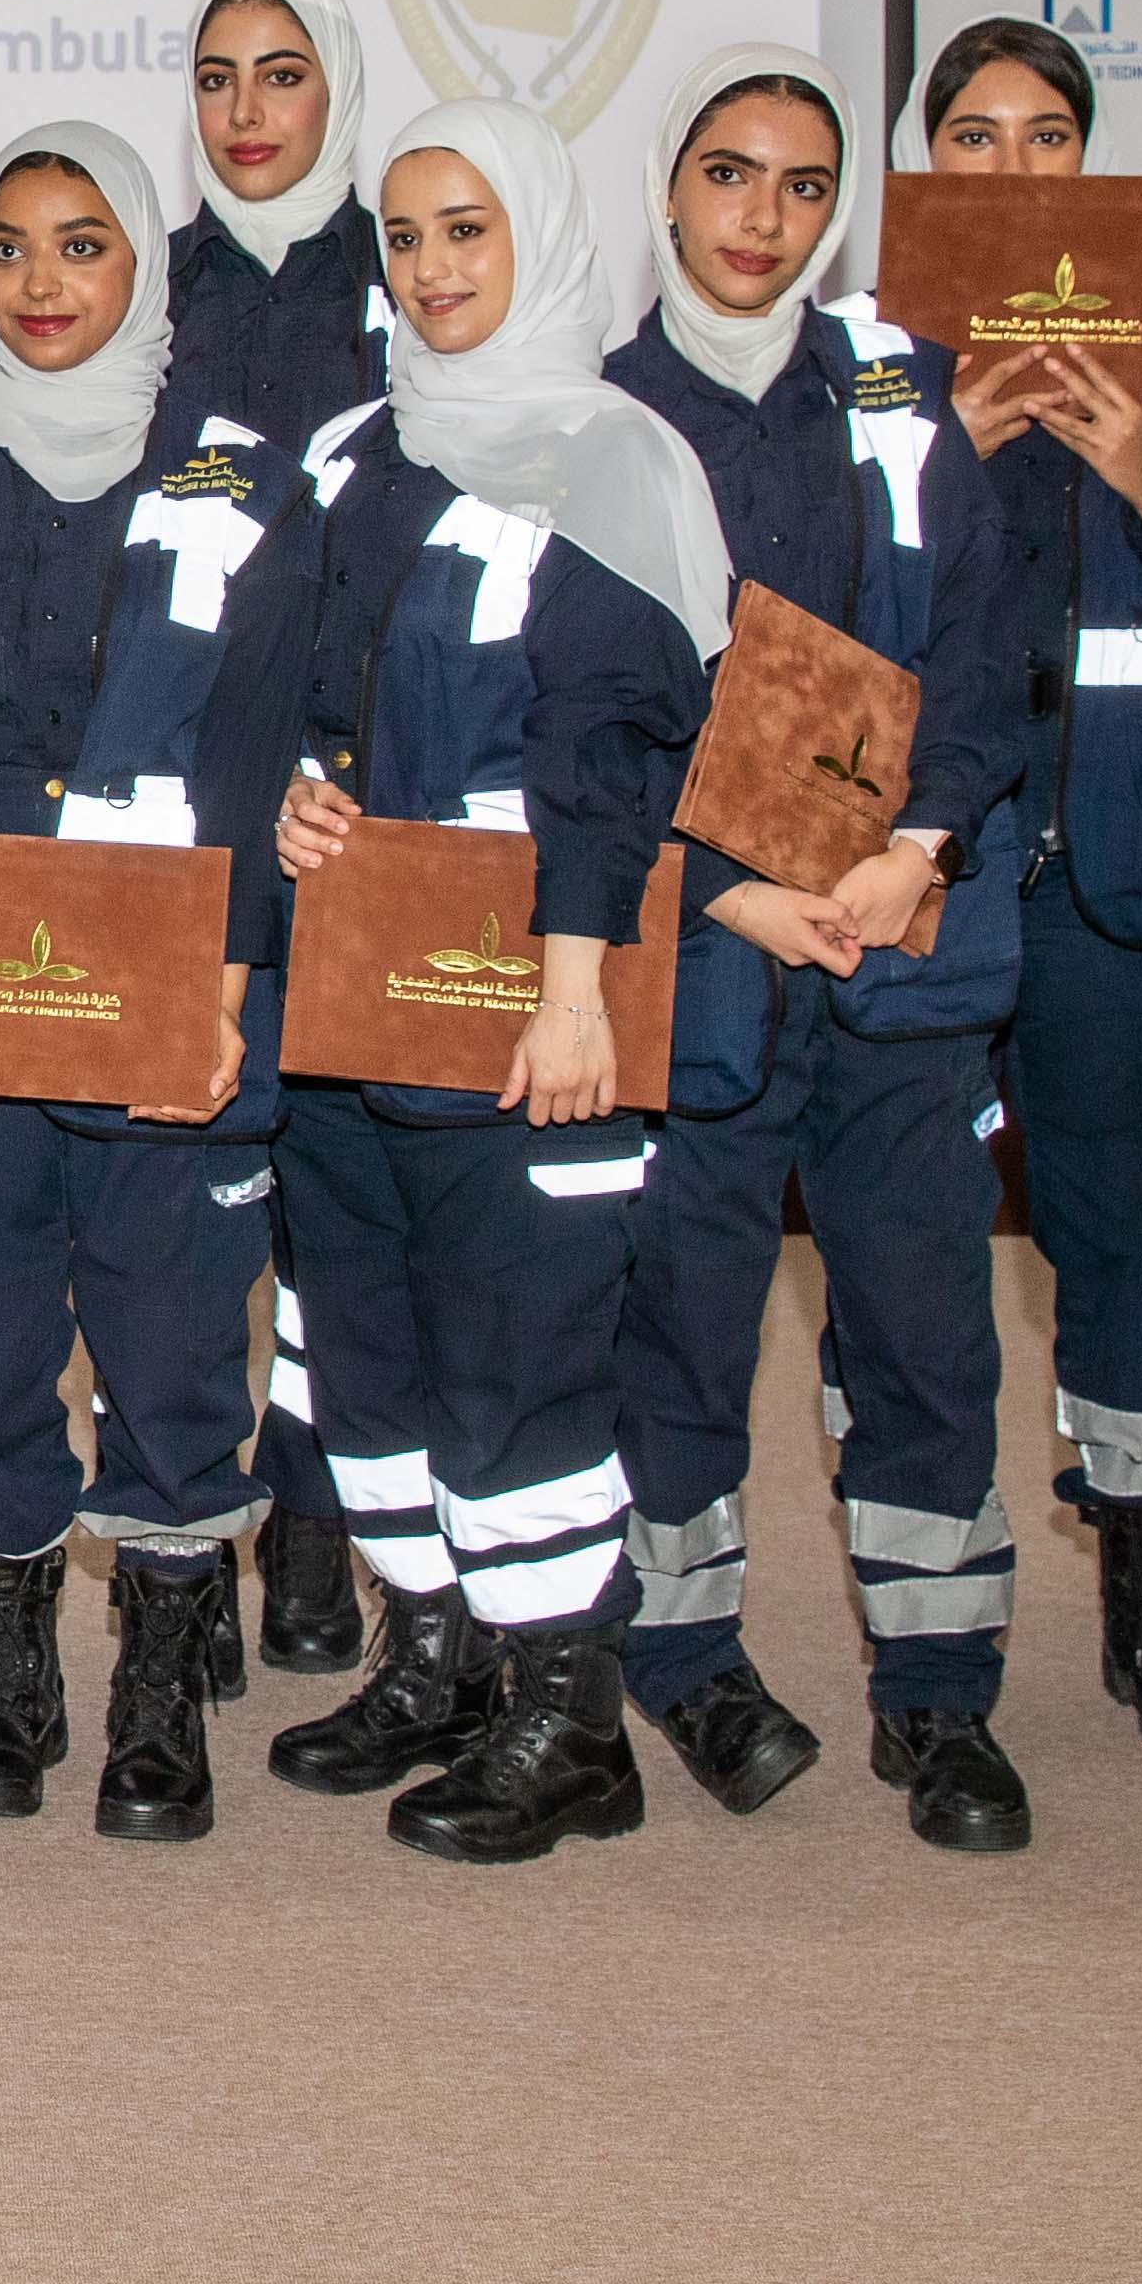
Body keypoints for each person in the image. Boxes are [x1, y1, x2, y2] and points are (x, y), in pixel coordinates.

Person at [0, 124, 310, 1837]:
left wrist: (227, 983)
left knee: (171, 1345)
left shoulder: (243, 479)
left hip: (163, 1001)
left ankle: (160, 1691)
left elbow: (254, 745)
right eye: (9, 247)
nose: (41, 283)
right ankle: (13, 1677)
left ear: (143, 266)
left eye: (83, 245)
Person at [265, 99, 725, 1866]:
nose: (432, 268)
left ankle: (568, 1720)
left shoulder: (616, 459)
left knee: (520, 1354)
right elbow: (291, 691)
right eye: (404, 236)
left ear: (536, 233)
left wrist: (577, 989)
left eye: (467, 229)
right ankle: (435, 1659)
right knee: (366, 1346)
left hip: (537, 992)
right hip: (352, 994)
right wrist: (295, 790)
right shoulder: (352, 454)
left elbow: (611, 757)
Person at [602, 50, 1043, 1853]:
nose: (760, 218)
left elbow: (990, 644)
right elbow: (575, 712)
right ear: (669, 184)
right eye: (728, 173)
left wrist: (917, 841)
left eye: (800, 185)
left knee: (925, 1324)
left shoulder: (904, 395)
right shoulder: (593, 416)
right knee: (682, 1329)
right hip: (701, 951)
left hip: (894, 948)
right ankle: (683, 1651)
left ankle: (941, 1690)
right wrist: (729, 886)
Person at [921, 19, 1142, 1755]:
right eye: (973, 137)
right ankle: (924, 1598)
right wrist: (942, 450)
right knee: (905, 1248)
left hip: (1120, 869)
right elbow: (817, 598)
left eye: (1045, 135)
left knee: (1135, 1233)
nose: (1012, 167)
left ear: (1089, 158)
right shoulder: (872, 361)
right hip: (924, 869)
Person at [159, 0, 395, 1683]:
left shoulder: (409, 276)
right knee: (183, 1188)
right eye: (218, 77)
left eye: (284, 73)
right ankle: (183, 1531)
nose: (247, 111)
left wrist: (360, 751)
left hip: (363, 804)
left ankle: (312, 1522)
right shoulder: (139, 279)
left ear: (339, 91)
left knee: (339, 1198)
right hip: (182, 794)